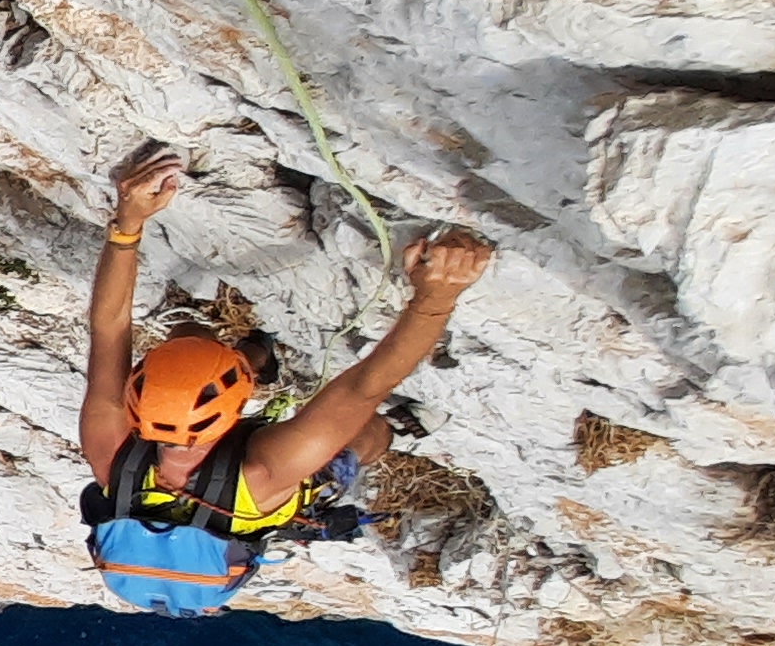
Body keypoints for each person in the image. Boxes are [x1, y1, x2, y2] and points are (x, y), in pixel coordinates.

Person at [80, 147, 493, 616]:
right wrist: (438, 295)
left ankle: (262, 355)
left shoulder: (109, 444)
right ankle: (402, 426)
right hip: (246, 503)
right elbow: (365, 388)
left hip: (207, 466)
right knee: (364, 434)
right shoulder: (267, 471)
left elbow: (109, 325)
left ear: (136, 402)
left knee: (188, 337)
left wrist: (127, 223)